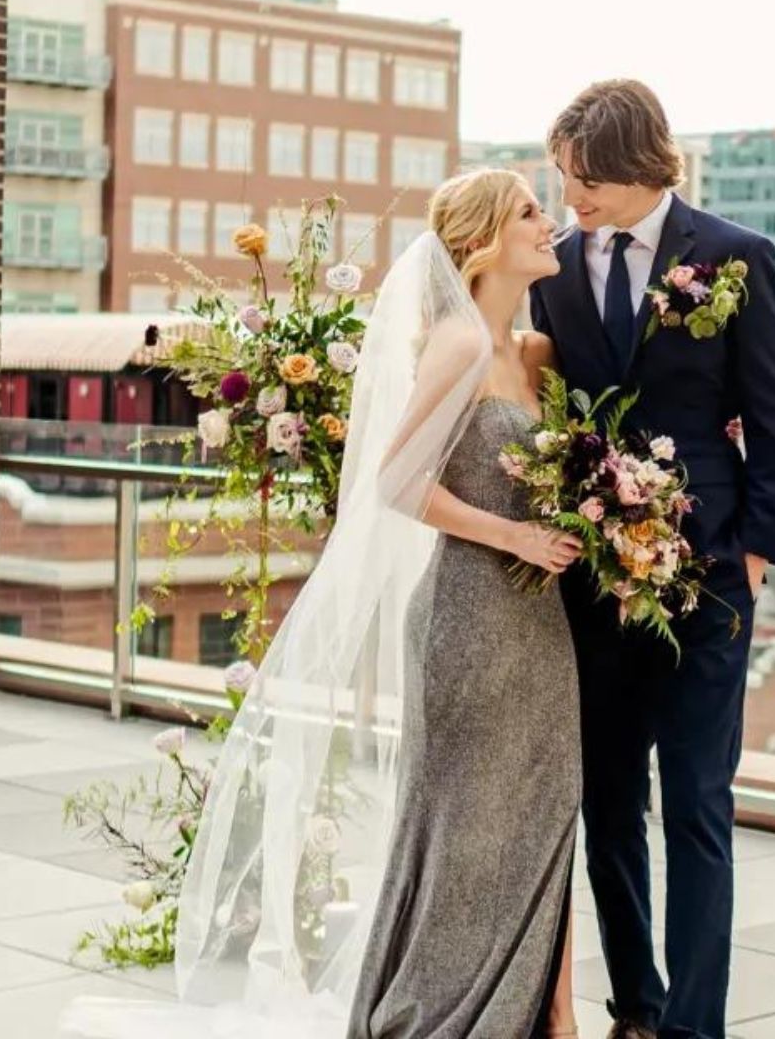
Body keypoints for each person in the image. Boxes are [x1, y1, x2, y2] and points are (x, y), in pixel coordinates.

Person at [63, 169, 585, 1039]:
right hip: (469, 613)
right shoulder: (455, 344)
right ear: (485, 241)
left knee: (545, 807)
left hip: (539, 621)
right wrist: (519, 539)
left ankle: (547, 1013)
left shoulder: (533, 354)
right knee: (462, 826)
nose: (550, 223)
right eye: (531, 211)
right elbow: (395, 482)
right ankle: (449, 1010)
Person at [530, 80, 775, 1039]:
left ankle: (695, 1026)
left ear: (638, 164)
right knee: (607, 803)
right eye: (562, 181)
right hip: (592, 583)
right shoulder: (552, 268)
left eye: (584, 181)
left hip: (712, 576)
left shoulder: (733, 256)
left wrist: (755, 554)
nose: (571, 200)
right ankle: (636, 1008)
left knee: (696, 804)